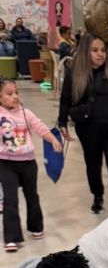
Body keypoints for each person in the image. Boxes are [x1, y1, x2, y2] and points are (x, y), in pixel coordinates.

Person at [58, 32, 108, 214]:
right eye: (95, 50)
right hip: (88, 128)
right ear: (86, 51)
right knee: (93, 165)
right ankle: (97, 195)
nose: (100, 54)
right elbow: (65, 99)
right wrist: (62, 122)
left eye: (102, 50)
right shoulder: (75, 73)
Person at [0, 77, 62, 252]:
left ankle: (36, 226)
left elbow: (40, 127)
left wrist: (52, 139)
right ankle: (11, 237)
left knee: (32, 196)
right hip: (6, 164)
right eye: (9, 93)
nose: (15, 96)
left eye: (16, 92)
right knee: (10, 200)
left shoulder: (26, 113)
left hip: (28, 163)